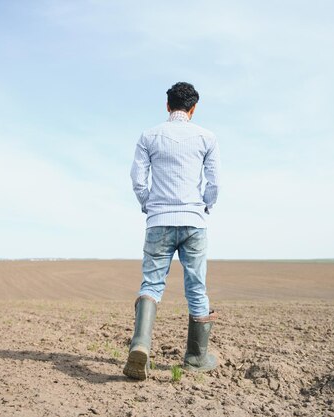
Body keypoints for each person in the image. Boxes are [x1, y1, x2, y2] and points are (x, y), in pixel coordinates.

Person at [124, 82, 221, 381]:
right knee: (196, 287)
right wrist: (204, 206)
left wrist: (149, 206)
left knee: (151, 284)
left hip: (159, 221)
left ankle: (140, 345)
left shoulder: (149, 136)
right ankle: (195, 356)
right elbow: (214, 182)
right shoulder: (207, 137)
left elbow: (138, 179)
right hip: (193, 221)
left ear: (167, 106)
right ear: (193, 109)